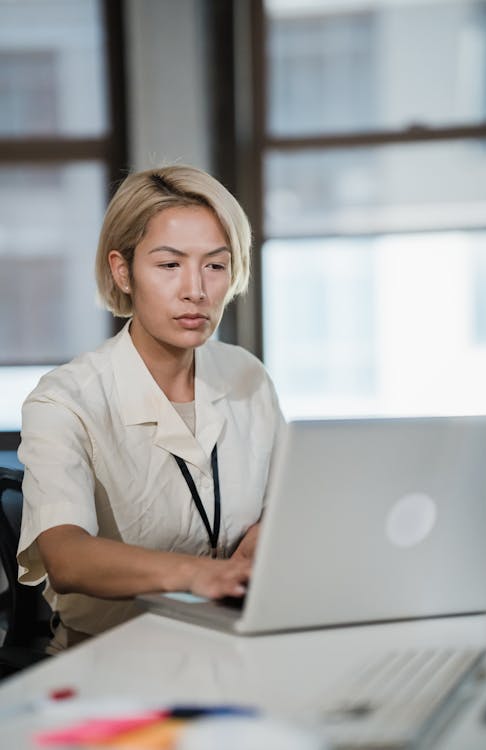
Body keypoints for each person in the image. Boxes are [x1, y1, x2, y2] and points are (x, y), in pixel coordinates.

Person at [17, 165, 285, 651]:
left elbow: (288, 503)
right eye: (169, 265)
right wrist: (202, 575)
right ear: (123, 271)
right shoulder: (64, 399)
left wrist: (265, 536)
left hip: (235, 644)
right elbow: (67, 558)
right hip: (109, 655)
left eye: (215, 265)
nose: (196, 290)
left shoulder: (248, 377)